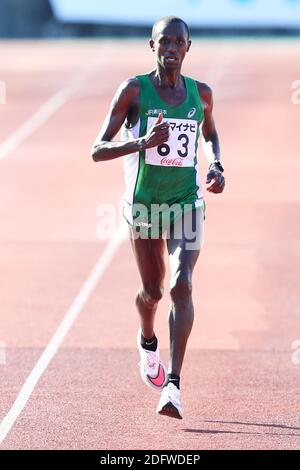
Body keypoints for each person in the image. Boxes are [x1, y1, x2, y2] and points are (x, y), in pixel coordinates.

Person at [91, 16, 225, 419]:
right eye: (163, 41)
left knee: (182, 286)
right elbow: (98, 149)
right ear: (152, 46)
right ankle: (147, 340)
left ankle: (173, 387)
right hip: (146, 207)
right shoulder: (134, 90)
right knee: (153, 291)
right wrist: (141, 142)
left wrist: (217, 165)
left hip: (186, 203)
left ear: (188, 48)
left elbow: (210, 135)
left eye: (177, 42)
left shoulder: (201, 94)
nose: (170, 48)